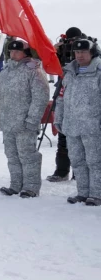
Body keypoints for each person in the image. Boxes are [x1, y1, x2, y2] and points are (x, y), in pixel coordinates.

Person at [0, 39, 49, 198]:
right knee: (12, 156)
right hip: (7, 122)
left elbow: (40, 98)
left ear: (25, 53)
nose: (13, 54)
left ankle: (31, 187)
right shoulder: (6, 71)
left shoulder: (33, 70)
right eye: (11, 51)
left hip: (25, 123)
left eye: (17, 51)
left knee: (28, 156)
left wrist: (32, 120)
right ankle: (16, 184)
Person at [54, 38, 101, 206]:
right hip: (72, 126)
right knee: (77, 160)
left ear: (92, 52)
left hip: (93, 127)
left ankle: (97, 194)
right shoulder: (70, 72)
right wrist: (58, 118)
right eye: (77, 52)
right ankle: (82, 192)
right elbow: (61, 99)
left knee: (95, 161)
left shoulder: (99, 71)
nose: (79, 55)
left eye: (83, 52)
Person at [47, 27, 82, 182]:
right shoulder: (62, 47)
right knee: (62, 135)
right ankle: (61, 171)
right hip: (64, 89)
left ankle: (79, 173)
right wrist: (55, 50)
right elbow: (50, 63)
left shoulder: (89, 48)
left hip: (81, 97)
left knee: (80, 140)